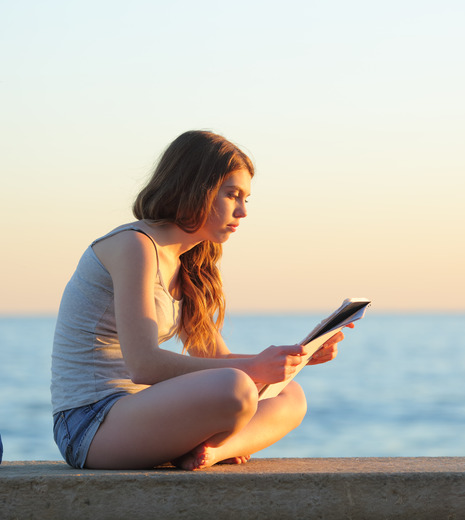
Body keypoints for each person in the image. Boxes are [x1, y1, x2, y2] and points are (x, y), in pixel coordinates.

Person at [50, 130, 348, 470]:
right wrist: (253, 368)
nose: (242, 211)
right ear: (195, 188)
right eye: (232, 194)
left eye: (246, 199)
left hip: (143, 414)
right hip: (90, 424)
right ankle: (204, 447)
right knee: (235, 387)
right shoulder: (135, 246)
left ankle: (210, 453)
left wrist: (294, 361)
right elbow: (144, 365)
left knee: (291, 396)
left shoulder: (190, 262)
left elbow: (213, 356)